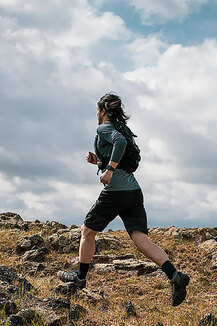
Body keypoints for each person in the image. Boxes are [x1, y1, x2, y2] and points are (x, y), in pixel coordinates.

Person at [57, 93, 190, 306]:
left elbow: (118, 144)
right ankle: (175, 276)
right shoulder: (123, 129)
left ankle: (80, 278)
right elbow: (122, 151)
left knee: (87, 231)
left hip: (116, 192)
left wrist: (108, 170)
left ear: (101, 111)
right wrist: (99, 162)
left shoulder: (105, 128)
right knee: (141, 240)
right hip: (133, 192)